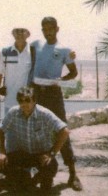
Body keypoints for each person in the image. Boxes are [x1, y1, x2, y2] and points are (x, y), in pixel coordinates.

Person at [30, 16, 83, 191]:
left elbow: (73, 72)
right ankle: (42, 172)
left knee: (61, 130)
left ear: (57, 29)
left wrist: (60, 80)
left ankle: (73, 173)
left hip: (54, 94)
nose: (47, 32)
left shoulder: (64, 49)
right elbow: (21, 53)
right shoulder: (36, 45)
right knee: (37, 130)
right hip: (37, 93)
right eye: (44, 28)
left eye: (50, 28)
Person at [0, 86, 70, 192]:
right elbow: (0, 131)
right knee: (1, 164)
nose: (24, 104)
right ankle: (24, 179)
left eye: (27, 100)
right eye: (21, 101)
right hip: (24, 154)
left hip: (42, 155)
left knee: (51, 167)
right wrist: (2, 153)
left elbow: (64, 131)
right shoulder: (13, 112)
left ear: (34, 101)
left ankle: (40, 180)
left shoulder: (44, 114)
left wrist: (51, 153)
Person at [0, 27, 32, 115]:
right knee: (9, 128)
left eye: (22, 31)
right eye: (16, 31)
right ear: (13, 34)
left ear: (28, 34)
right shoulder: (5, 53)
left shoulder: (33, 53)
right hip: (9, 102)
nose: (19, 33)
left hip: (28, 102)